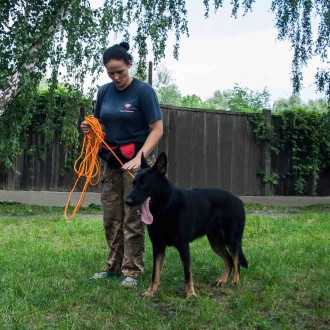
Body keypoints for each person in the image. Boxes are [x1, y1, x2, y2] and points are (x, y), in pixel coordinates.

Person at [81, 41, 163, 287]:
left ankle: (132, 271)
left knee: (132, 216)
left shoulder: (143, 92)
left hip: (137, 162)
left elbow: (157, 129)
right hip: (111, 161)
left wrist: (139, 157)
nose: (116, 77)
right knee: (111, 216)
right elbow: (101, 124)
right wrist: (89, 128)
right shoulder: (104, 91)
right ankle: (113, 267)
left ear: (129, 64)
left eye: (121, 72)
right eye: (111, 73)